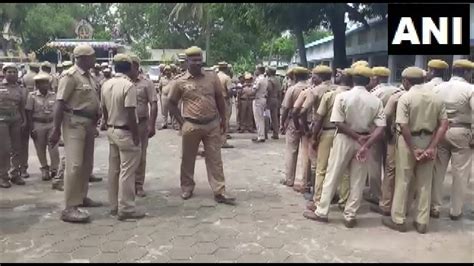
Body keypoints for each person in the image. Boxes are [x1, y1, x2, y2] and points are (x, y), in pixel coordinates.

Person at [303, 65, 386, 228]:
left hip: (344, 139)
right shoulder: (375, 101)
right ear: (368, 80)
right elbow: (381, 128)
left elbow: (338, 123)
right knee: (358, 179)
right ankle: (350, 215)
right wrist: (366, 142)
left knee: (332, 175)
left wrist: (356, 137)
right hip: (364, 141)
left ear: (353, 80)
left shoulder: (343, 97)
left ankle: (322, 211)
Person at [382, 66, 448, 234]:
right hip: (430, 139)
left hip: (408, 141)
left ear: (406, 81)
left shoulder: (406, 97)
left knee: (403, 180)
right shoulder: (437, 98)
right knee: (425, 183)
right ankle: (422, 222)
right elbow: (444, 124)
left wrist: (414, 149)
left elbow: (403, 125)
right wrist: (432, 147)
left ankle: (398, 219)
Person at [167, 46, 235, 205]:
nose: (197, 63)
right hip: (191, 125)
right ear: (187, 62)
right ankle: (187, 187)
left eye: (199, 60)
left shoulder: (212, 77)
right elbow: (171, 103)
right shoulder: (180, 81)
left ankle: (219, 191)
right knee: (188, 159)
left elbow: (219, 98)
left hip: (212, 124)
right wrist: (181, 122)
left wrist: (224, 120)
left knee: (215, 159)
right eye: (194, 60)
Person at [49, 44, 102, 223]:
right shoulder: (70, 76)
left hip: (88, 124)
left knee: (87, 164)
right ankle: (69, 207)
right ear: (81, 58)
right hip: (74, 123)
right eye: (91, 57)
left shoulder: (90, 77)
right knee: (75, 165)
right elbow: (59, 103)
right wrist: (56, 129)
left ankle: (81, 197)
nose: (94, 60)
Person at [101, 53, 145, 220]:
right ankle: (126, 209)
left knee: (114, 170)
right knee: (127, 172)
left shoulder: (106, 84)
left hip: (112, 129)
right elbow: (130, 112)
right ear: (130, 68)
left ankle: (113, 206)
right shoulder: (128, 86)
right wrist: (135, 135)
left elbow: (103, 109)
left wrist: (107, 124)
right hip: (125, 131)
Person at [431, 59, 474, 220]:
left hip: (440, 131)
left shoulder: (438, 88)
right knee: (460, 173)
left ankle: (434, 206)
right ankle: (455, 211)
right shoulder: (470, 89)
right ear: (467, 73)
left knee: (438, 170)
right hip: (461, 131)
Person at [306, 67, 351, 211]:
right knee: (344, 169)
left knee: (322, 168)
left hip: (328, 132)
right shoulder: (352, 95)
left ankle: (318, 200)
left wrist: (314, 137)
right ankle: (344, 201)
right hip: (347, 135)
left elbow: (319, 118)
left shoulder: (330, 95)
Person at [365, 66, 399, 206]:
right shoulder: (397, 90)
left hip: (375, 131)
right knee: (390, 165)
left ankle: (376, 194)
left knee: (374, 162)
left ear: (376, 78)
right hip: (392, 131)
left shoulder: (374, 93)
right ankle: (389, 194)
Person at [129, 54, 158, 198]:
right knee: (126, 155)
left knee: (141, 155)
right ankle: (126, 185)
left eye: (133, 65)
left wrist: (152, 125)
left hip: (141, 123)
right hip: (125, 125)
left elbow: (153, 103)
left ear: (137, 66)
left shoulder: (147, 83)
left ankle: (138, 184)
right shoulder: (121, 82)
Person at [25, 72, 59, 181]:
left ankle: (55, 169)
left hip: (51, 123)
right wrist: (31, 128)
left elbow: (58, 111)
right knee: (40, 148)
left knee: (53, 147)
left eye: (45, 83)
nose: (43, 85)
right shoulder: (32, 96)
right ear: (37, 85)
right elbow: (28, 112)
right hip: (38, 124)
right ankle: (44, 168)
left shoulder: (54, 95)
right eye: (40, 83)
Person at [279, 66, 310, 187]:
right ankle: (306, 180)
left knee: (291, 150)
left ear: (295, 76)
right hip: (308, 122)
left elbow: (286, 108)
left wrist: (282, 123)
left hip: (293, 121)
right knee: (306, 152)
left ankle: (289, 179)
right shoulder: (311, 88)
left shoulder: (292, 89)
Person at [0, 63, 27, 188]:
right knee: (4, 149)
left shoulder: (20, 88)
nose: (12, 74)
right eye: (9, 72)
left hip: (16, 119)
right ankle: (3, 176)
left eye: (14, 72)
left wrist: (24, 120)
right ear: (4, 73)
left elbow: (22, 106)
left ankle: (15, 174)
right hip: (2, 120)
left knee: (17, 148)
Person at [217, 62, 235, 148]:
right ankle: (223, 141)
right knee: (225, 120)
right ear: (226, 68)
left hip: (215, 100)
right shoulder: (226, 78)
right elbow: (230, 91)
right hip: (224, 100)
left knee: (216, 120)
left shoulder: (215, 77)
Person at [252, 65, 268, 143]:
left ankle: (261, 136)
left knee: (258, 119)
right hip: (263, 98)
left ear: (259, 71)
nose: (255, 71)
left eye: (256, 70)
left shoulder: (259, 79)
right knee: (261, 118)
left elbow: (254, 89)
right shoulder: (265, 79)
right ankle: (261, 135)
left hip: (258, 99)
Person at [266, 67, 282, 140]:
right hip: (276, 99)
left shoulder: (269, 80)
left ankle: (265, 133)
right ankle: (276, 133)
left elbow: (269, 90)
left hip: (270, 99)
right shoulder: (278, 80)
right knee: (275, 117)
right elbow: (280, 91)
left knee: (267, 116)